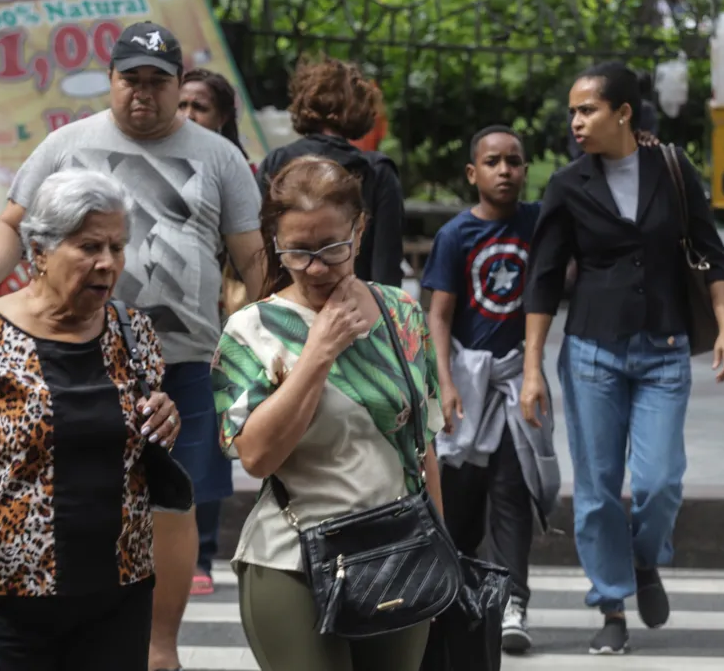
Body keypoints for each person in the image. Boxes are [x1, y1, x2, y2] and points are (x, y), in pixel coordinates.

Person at [0, 21, 264, 671]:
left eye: (157, 82)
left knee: (171, 499)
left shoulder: (217, 155)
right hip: (74, 350)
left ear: (178, 85)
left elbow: (254, 259)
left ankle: (160, 648)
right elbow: (10, 223)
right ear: (110, 80)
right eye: (130, 79)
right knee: (69, 487)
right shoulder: (67, 143)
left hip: (185, 359)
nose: (143, 94)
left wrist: (277, 334)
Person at [522, 61, 724, 655]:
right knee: (596, 490)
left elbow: (711, 253)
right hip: (592, 353)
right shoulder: (567, 185)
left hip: (664, 350)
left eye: (586, 109)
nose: (575, 122)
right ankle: (611, 604)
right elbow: (541, 282)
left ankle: (645, 562)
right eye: (572, 111)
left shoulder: (672, 171)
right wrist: (532, 367)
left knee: (661, 480)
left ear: (623, 113)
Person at [0, 169, 184, 670]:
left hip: (120, 591)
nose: (107, 264)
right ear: (40, 251)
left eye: (117, 247)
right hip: (9, 597)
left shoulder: (134, 334)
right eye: (89, 247)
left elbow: (143, 449)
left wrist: (166, 417)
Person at [212, 155, 443, 671]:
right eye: (298, 252)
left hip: (397, 551)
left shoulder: (399, 313)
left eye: (332, 248)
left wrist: (439, 546)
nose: (316, 267)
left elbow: (423, 445)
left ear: (359, 232)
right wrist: (317, 353)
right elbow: (255, 456)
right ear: (275, 242)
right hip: (293, 560)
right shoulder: (252, 330)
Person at [422, 125, 560, 654]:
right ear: (472, 172)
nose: (505, 170)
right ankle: (450, 599)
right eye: (494, 161)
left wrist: (532, 371)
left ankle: (511, 602)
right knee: (457, 499)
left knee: (511, 490)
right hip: (468, 385)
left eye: (515, 161)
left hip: (515, 385)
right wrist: (446, 383)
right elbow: (439, 313)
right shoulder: (456, 235)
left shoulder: (538, 224)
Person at [178, 66, 250, 596]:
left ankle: (201, 552)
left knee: (207, 441)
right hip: (163, 325)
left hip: (221, 324)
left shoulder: (234, 169)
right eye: (181, 106)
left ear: (223, 119)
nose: (187, 117)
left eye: (199, 108)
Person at [257, 55, 405, 288]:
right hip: (356, 305)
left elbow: (260, 245)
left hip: (288, 301)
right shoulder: (377, 171)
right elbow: (386, 260)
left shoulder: (276, 161)